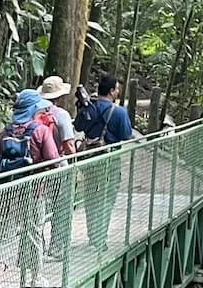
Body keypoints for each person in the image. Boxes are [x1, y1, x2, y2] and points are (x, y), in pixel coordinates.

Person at [0, 87, 64, 282]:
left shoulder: (5, 132)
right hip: (34, 191)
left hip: (8, 191)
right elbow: (54, 161)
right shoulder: (40, 131)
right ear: (33, 109)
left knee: (5, 232)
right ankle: (36, 277)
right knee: (34, 232)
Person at [80, 74, 134, 255]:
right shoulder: (119, 112)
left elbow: (79, 126)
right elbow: (126, 135)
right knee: (106, 199)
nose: (118, 91)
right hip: (110, 160)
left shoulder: (89, 107)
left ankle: (92, 234)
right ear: (111, 91)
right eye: (117, 88)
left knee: (90, 196)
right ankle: (100, 238)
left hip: (89, 159)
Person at [37, 74, 80, 257]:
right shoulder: (62, 115)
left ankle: (31, 252)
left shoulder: (34, 113)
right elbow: (69, 145)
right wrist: (76, 165)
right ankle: (56, 247)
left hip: (37, 167)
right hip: (58, 166)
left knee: (37, 209)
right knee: (61, 207)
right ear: (60, 96)